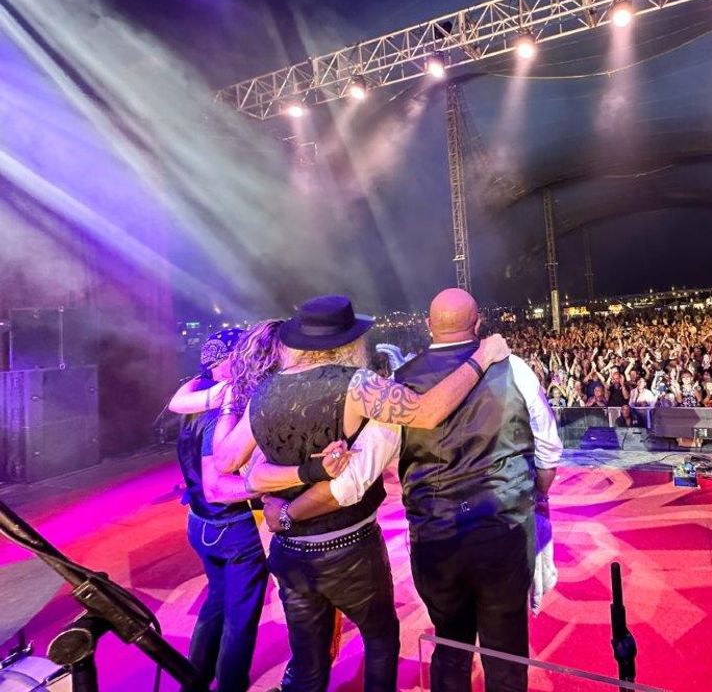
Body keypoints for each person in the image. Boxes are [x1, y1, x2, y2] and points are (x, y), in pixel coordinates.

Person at [258, 288, 563, 692]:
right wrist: (536, 498)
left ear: (427, 326)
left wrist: (289, 511)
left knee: (450, 648)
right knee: (505, 653)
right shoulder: (516, 369)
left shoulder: (397, 385)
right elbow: (547, 449)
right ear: (478, 326)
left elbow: (355, 479)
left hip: (436, 539)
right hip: (503, 531)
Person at [168, 324, 277, 692]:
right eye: (245, 356)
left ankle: (194, 680)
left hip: (199, 524)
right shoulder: (221, 412)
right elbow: (216, 487)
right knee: (240, 616)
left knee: (216, 602)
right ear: (232, 360)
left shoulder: (198, 397)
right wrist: (268, 484)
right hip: (232, 529)